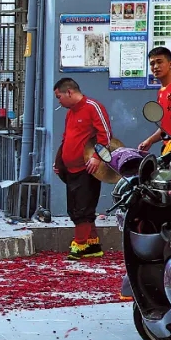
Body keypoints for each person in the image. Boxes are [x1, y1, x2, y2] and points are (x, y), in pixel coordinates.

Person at [54, 78, 111, 260]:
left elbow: (106, 136)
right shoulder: (70, 113)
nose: (59, 101)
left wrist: (96, 157)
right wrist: (59, 161)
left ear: (69, 92)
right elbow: (66, 139)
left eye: (59, 96)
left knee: (83, 208)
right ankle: (92, 244)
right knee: (76, 208)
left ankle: (79, 245)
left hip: (88, 168)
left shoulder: (93, 107)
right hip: (71, 169)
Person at [138, 47, 171, 154]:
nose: (156, 67)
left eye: (159, 62)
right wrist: (150, 140)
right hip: (169, 148)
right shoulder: (161, 92)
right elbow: (166, 126)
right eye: (152, 64)